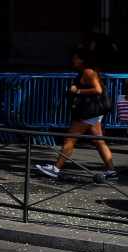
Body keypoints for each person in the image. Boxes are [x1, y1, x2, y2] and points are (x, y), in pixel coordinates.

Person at [35, 49, 117, 181]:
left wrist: (78, 91)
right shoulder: (86, 72)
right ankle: (111, 170)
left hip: (88, 112)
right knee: (98, 141)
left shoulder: (88, 72)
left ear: (82, 60)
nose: (73, 60)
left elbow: (98, 90)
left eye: (76, 58)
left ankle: (56, 169)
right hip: (94, 112)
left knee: (70, 139)